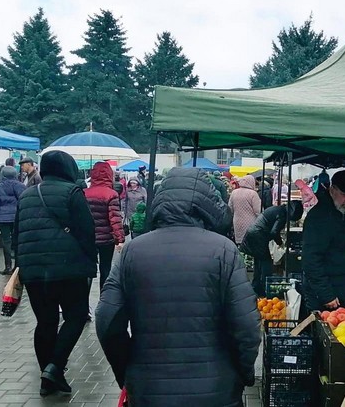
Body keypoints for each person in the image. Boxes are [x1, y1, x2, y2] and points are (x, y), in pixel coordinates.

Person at [95, 168, 260, 406]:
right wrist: (243, 373)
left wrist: (126, 371)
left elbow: (107, 319)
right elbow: (246, 326)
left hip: (149, 388)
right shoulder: (224, 250)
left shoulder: (132, 251)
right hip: (215, 388)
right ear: (207, 203)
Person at [13, 150, 96, 396]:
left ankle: (47, 379)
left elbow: (17, 234)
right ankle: (55, 367)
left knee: (45, 322)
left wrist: (22, 264)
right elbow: (86, 231)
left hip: (34, 271)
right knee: (76, 316)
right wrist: (90, 261)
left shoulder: (26, 195)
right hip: (69, 268)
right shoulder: (73, 192)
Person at [302, 169, 345, 312]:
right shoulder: (321, 217)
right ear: (332, 190)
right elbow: (311, 259)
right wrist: (326, 294)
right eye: (344, 194)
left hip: (342, 290)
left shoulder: (338, 213)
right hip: (329, 298)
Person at [241, 200, 304, 297]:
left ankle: (256, 286)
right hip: (259, 236)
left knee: (258, 262)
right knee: (266, 263)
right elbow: (274, 232)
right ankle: (265, 287)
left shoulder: (278, 209)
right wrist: (280, 243)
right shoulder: (282, 215)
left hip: (252, 233)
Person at [84, 162, 125, 290]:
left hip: (88, 238)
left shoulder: (84, 193)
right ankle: (104, 296)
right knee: (105, 268)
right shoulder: (111, 194)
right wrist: (120, 239)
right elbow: (115, 219)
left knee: (87, 269)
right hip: (106, 239)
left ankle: (84, 298)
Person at [0, 166, 25, 275]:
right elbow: (23, 201)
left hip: (2, 218)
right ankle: (17, 267)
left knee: (6, 241)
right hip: (17, 217)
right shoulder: (20, 186)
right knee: (17, 241)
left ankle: (7, 266)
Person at [228, 175, 261, 244]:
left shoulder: (234, 192)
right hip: (250, 221)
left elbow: (230, 208)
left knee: (239, 241)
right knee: (249, 242)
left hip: (237, 220)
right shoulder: (253, 194)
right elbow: (257, 211)